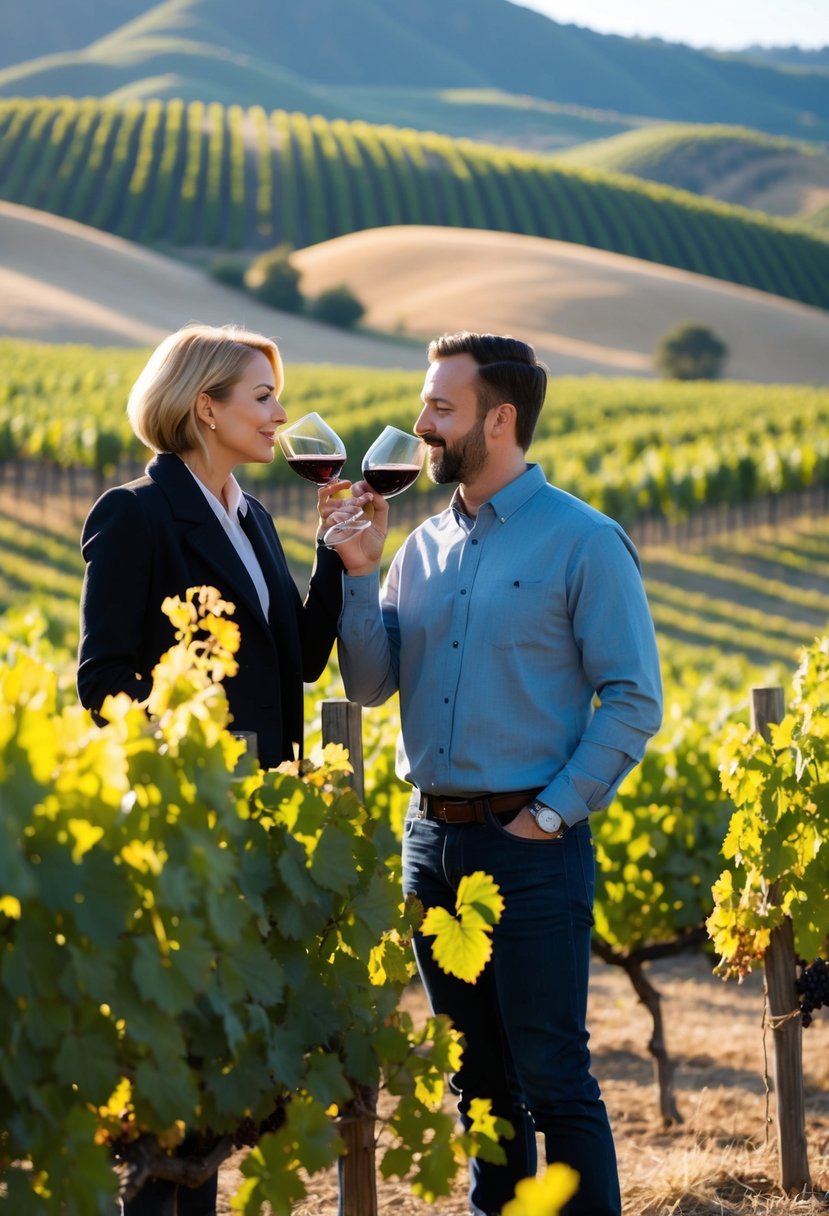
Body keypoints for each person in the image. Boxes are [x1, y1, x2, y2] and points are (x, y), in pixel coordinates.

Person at [327, 332, 663, 1216]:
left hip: (530, 845)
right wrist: (359, 578)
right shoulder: (420, 547)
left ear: (499, 419)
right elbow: (366, 687)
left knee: (554, 1076)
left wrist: (550, 817)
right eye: (423, 404)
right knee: (476, 1081)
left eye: (440, 407)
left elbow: (632, 699)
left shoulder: (584, 541)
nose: (420, 424)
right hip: (429, 842)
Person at [77, 322, 344, 1214]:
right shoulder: (136, 513)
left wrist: (336, 560)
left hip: (258, 832)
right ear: (205, 407)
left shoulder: (253, 515)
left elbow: (298, 660)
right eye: (262, 398)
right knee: (173, 1067)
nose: (280, 416)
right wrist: (200, 754)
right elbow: (103, 678)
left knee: (221, 1068)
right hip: (187, 830)